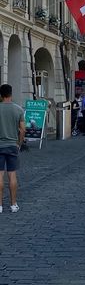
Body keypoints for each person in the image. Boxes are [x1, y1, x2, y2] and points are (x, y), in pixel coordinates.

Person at [0, 84, 25, 213]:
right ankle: (13, 204)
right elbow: (22, 130)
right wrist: (19, 144)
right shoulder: (18, 109)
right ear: (11, 94)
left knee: (0, 176)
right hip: (12, 145)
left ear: (0, 95)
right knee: (12, 175)